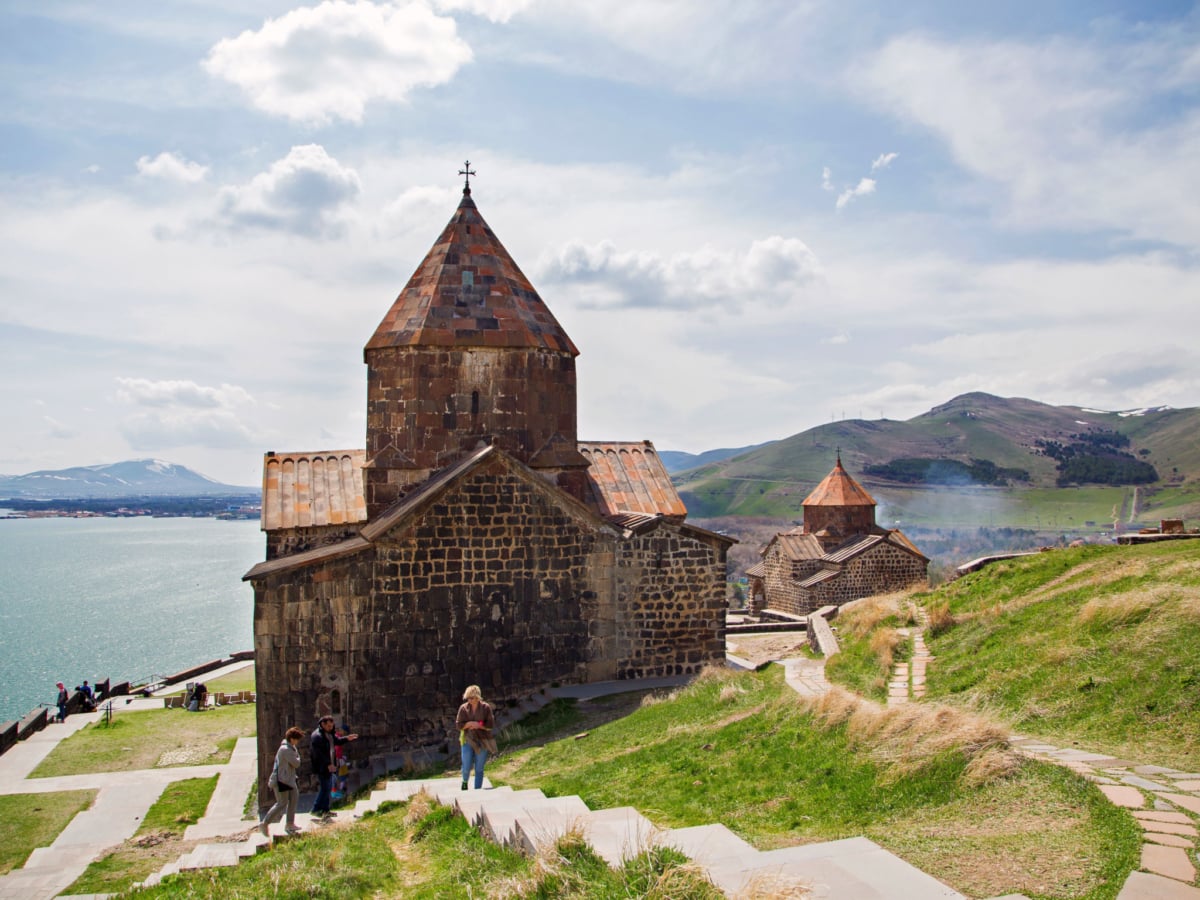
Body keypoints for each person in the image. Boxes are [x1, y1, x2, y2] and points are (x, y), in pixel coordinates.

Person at [310, 715, 358, 819]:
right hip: (323, 767)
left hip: (330, 766)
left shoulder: (329, 733)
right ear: (322, 724)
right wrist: (328, 764)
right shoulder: (317, 736)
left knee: (328, 788)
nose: (331, 728)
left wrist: (347, 738)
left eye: (332, 726)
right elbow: (318, 754)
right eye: (328, 726)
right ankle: (316, 809)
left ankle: (325, 810)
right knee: (325, 788)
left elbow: (337, 741)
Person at [260, 726, 305, 837]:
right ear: (292, 739)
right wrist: (298, 756)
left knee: (294, 799)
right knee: (282, 803)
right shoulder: (286, 749)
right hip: (282, 780)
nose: (298, 742)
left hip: (289, 779)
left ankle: (290, 824)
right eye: (297, 739)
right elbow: (297, 763)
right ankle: (265, 823)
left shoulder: (291, 748)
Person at [455, 685, 495, 790]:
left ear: (477, 697)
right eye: (467, 698)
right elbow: (459, 725)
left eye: (471, 698)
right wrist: (469, 723)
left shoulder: (486, 707)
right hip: (468, 739)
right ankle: (464, 782)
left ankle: (477, 790)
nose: (469, 700)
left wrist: (479, 725)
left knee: (479, 767)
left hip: (482, 740)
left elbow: (490, 724)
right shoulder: (463, 708)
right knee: (466, 765)